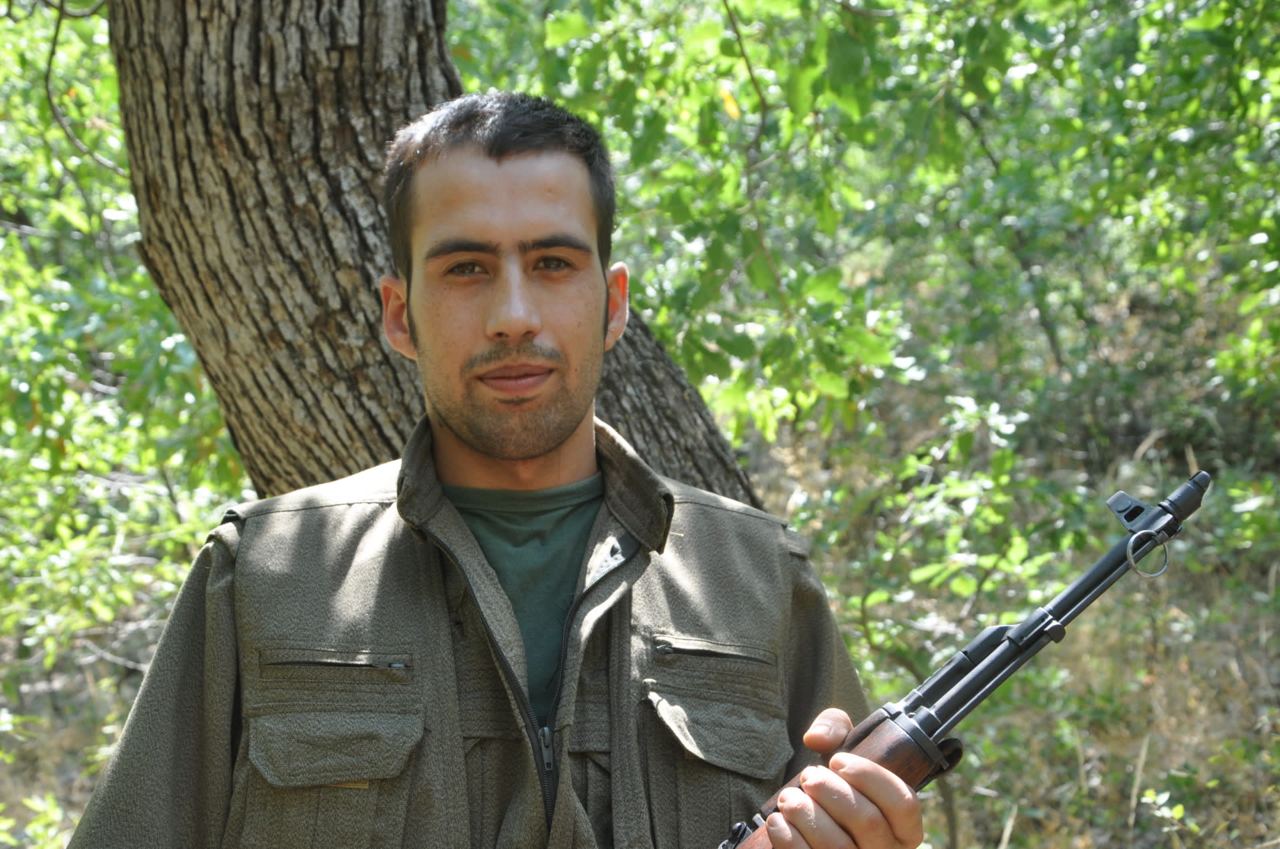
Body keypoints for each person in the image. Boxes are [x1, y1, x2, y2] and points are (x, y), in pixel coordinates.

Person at [68, 92, 923, 849]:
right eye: (466, 269)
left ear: (612, 303)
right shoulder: (263, 580)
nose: (513, 315)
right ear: (399, 313)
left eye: (552, 264)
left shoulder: (757, 582)